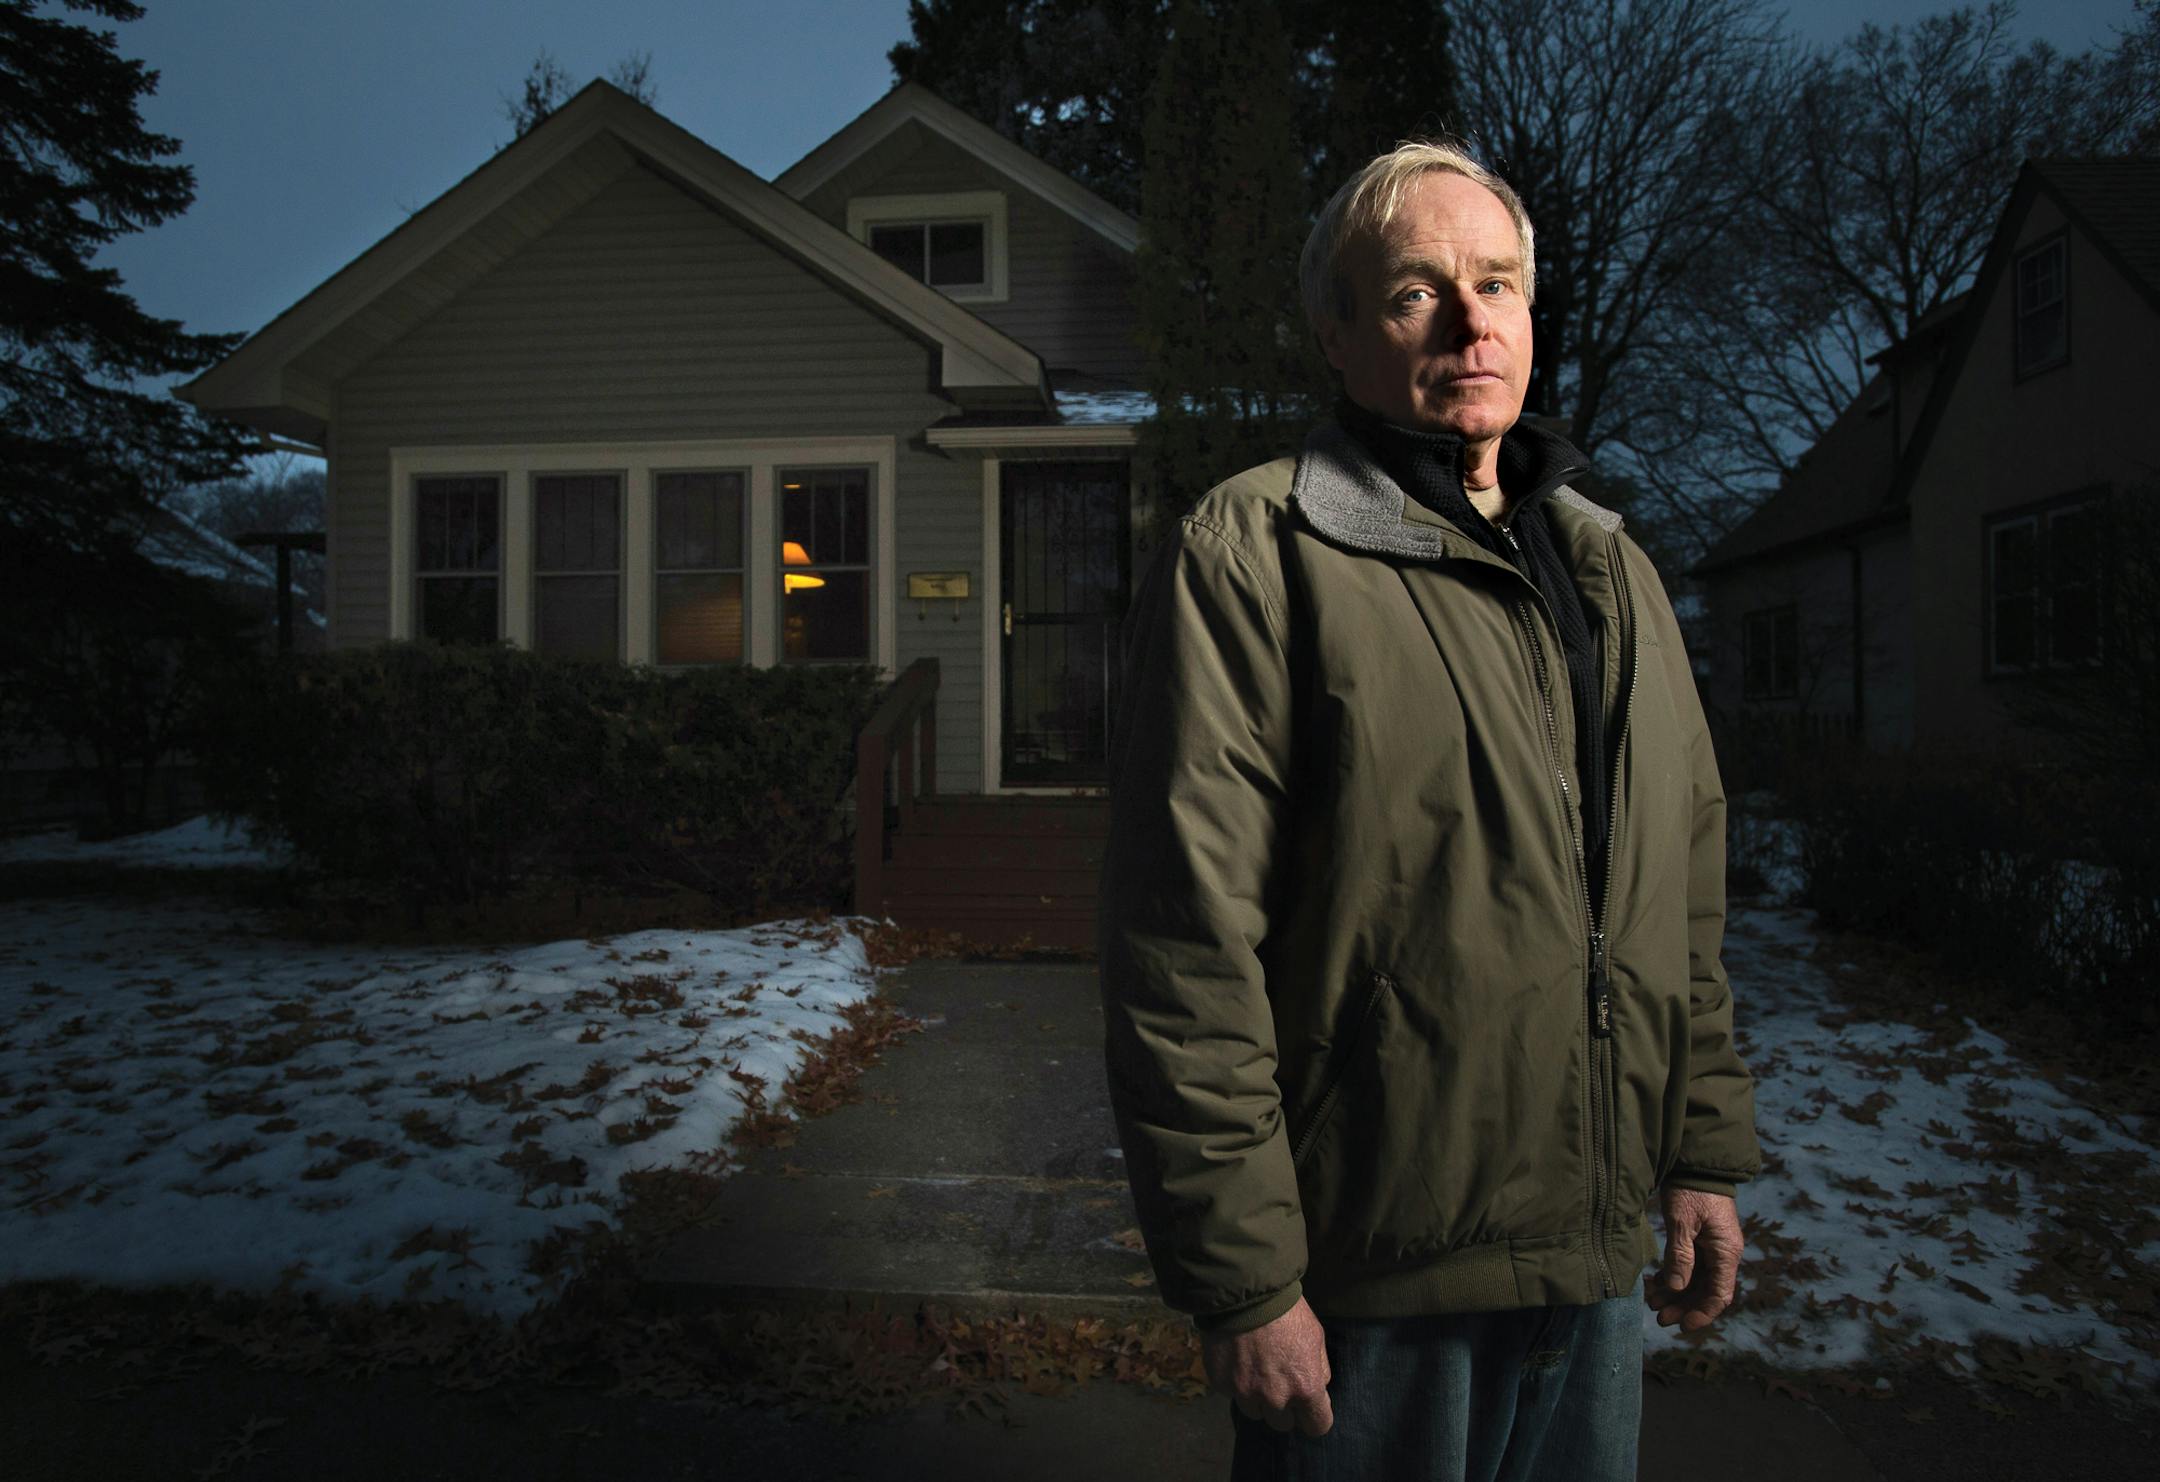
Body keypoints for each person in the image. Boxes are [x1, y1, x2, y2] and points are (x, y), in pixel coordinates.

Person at [1096, 139, 1761, 1481]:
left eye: (1499, 283)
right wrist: (1243, 1278)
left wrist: (1697, 1146)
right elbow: (1183, 947)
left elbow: (1679, 892)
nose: (1471, 320)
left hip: (1591, 1267)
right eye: (1414, 291)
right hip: (1372, 1292)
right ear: (1335, 336)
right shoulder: (1256, 557)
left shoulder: (1611, 570)